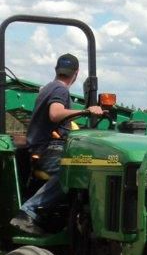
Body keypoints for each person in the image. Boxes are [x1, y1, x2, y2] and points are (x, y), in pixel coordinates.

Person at [11, 53, 103, 235]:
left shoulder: (47, 88)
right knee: (78, 172)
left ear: (56, 70)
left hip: (41, 150)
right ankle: (29, 211)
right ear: (76, 74)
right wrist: (86, 110)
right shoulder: (60, 90)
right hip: (49, 151)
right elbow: (55, 113)